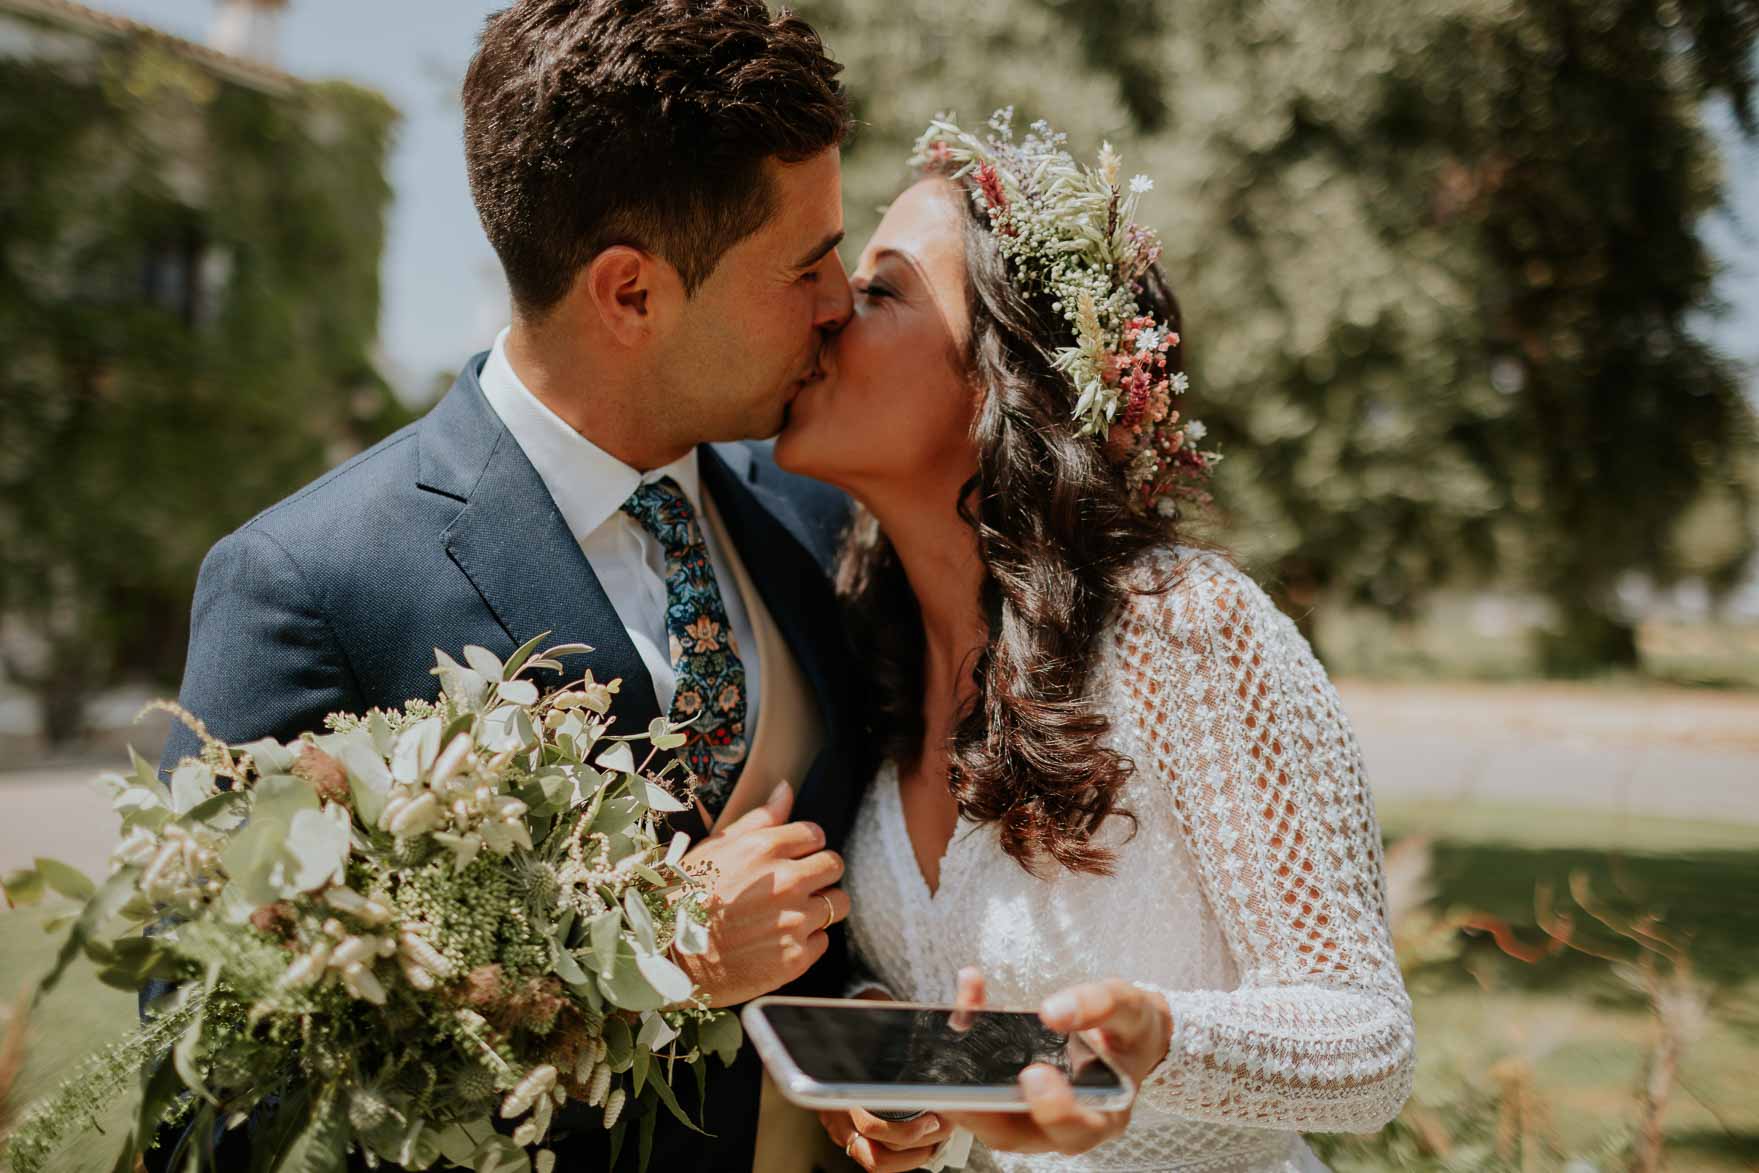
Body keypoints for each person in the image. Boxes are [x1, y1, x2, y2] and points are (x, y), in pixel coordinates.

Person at [145, 2, 869, 1168]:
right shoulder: (309, 584)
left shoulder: (810, 512)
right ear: (629, 293)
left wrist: (866, 1041)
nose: (840, 298)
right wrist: (653, 959)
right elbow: (216, 1077)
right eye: (804, 263)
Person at [776, 111, 1417, 1171]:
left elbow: (1367, 1039)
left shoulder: (1186, 630)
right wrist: (886, 1060)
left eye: (881, 288)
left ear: (999, 377)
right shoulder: (859, 648)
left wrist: (1157, 1041)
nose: (828, 307)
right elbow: (934, 977)